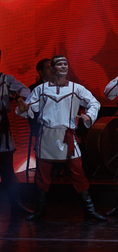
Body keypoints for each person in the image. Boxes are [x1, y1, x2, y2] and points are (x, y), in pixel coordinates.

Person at [15, 55, 104, 222]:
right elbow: (29, 108)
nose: (63, 67)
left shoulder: (76, 88)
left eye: (65, 64)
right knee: (42, 176)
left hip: (66, 136)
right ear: (52, 68)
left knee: (78, 173)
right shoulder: (41, 89)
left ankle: (89, 210)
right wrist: (23, 108)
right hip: (47, 136)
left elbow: (94, 103)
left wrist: (89, 116)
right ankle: (39, 211)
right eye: (59, 64)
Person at [0, 56, 31, 219]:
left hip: (1, 129)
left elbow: (26, 91)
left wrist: (19, 98)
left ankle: (15, 204)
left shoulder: (6, 79)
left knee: (7, 171)